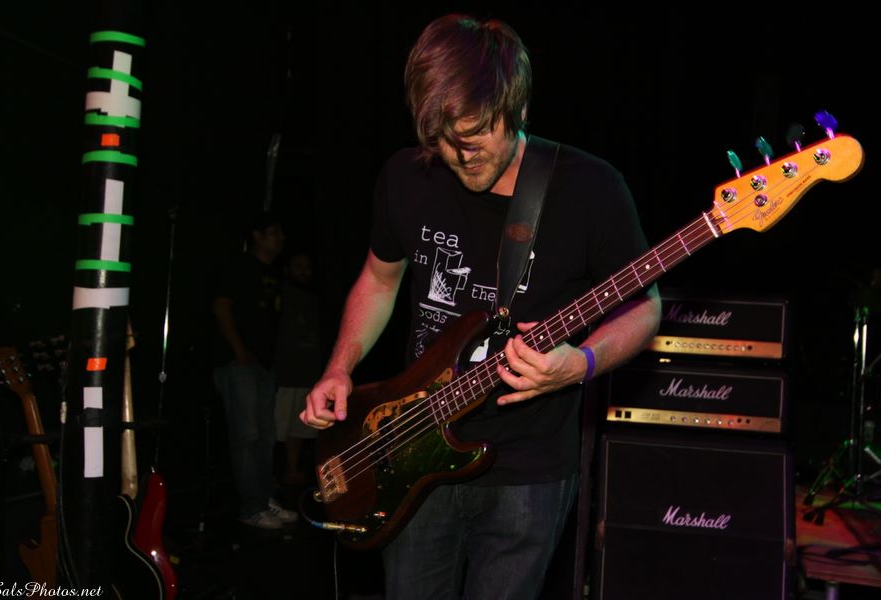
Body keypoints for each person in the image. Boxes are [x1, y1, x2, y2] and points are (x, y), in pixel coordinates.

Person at [301, 14, 661, 599]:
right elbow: (378, 279)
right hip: (410, 448)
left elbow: (643, 306)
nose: (460, 154)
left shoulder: (590, 188)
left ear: (517, 106)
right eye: (443, 140)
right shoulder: (405, 176)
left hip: (530, 467)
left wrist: (582, 363)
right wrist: (340, 367)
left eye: (475, 134)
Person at [212, 211, 298, 529]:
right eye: (274, 232)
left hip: (264, 364)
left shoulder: (274, 273)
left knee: (266, 435)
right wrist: (238, 350)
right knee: (247, 435)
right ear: (258, 236)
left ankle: (263, 500)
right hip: (239, 363)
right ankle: (251, 508)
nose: (281, 238)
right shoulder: (239, 266)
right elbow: (221, 307)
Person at [274, 251, 322, 485]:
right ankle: (270, 477)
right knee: (275, 429)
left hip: (308, 375)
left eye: (307, 266)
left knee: (299, 429)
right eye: (298, 265)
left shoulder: (314, 300)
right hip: (283, 375)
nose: (304, 271)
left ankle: (292, 471)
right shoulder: (280, 294)